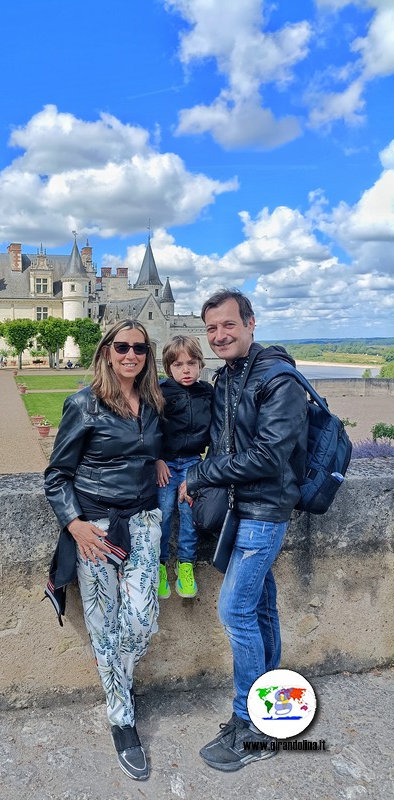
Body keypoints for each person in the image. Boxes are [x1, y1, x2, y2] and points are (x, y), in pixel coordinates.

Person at [179, 289, 307, 772]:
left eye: (228, 325)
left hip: (264, 512)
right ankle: (270, 711)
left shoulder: (278, 380)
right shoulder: (230, 376)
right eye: (211, 329)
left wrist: (200, 476)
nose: (219, 336)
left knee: (234, 612)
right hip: (243, 508)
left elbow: (269, 456)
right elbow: (220, 440)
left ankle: (251, 724)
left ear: (251, 324)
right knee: (261, 609)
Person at [44, 319, 164, 782]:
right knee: (104, 624)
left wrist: (154, 458)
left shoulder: (154, 403)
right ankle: (122, 718)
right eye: (122, 347)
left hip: (145, 520)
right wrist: (74, 525)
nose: (131, 354)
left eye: (139, 348)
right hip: (96, 527)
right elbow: (57, 475)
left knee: (143, 619)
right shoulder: (83, 404)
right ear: (107, 352)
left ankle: (118, 681)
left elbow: (159, 444)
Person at [156, 335, 212, 599]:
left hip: (192, 462)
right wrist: (156, 460)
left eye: (191, 363)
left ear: (200, 364)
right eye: (178, 365)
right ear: (169, 368)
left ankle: (185, 564)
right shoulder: (160, 392)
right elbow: (149, 430)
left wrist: (203, 471)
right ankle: (159, 565)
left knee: (189, 512)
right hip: (165, 462)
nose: (186, 370)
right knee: (164, 511)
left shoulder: (207, 393)